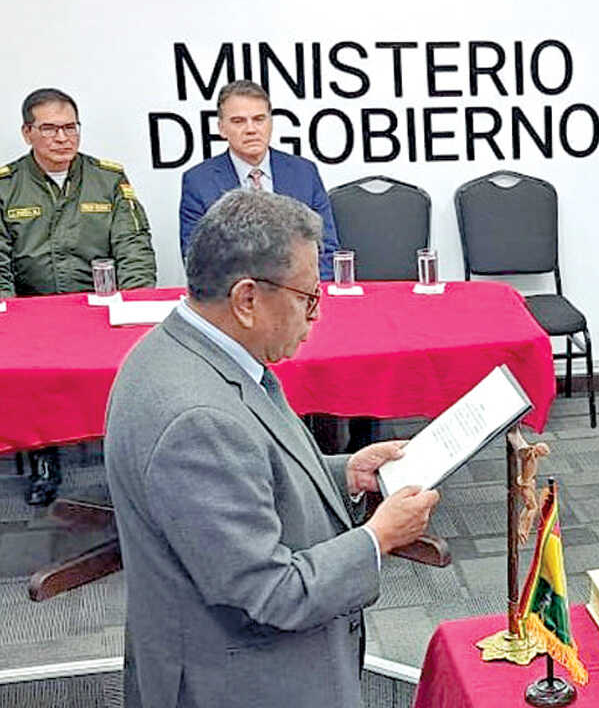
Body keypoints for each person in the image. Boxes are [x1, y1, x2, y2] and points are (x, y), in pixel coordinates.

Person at [104, 188, 440, 707]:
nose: (316, 315)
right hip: (242, 685)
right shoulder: (199, 420)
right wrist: (378, 538)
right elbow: (271, 593)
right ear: (246, 300)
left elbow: (245, 480)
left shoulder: (184, 351)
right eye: (308, 297)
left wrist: (344, 473)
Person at [0, 87, 156, 505]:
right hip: (33, 311)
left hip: (99, 310)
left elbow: (134, 248)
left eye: (70, 127)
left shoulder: (108, 179)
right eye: (49, 129)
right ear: (28, 133)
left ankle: (129, 460)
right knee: (34, 382)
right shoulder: (7, 186)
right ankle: (43, 458)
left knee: (128, 378)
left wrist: (132, 310)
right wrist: (9, 319)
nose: (62, 138)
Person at [179, 80, 340, 279]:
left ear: (270, 123)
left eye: (259, 119)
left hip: (297, 292)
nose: (251, 129)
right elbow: (197, 261)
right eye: (238, 121)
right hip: (235, 294)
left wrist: (297, 291)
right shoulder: (198, 182)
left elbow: (327, 250)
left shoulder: (304, 173)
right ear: (222, 128)